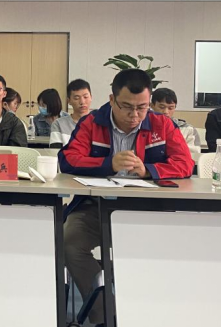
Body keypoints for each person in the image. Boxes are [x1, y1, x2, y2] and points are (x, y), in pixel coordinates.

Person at [59, 69, 192, 326]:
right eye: (127, 107)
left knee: (171, 247)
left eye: (142, 107)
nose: (135, 115)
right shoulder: (92, 122)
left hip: (147, 209)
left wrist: (149, 170)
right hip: (95, 206)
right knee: (69, 243)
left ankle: (150, 311)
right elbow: (68, 159)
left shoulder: (162, 124)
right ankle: (106, 315)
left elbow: (185, 163)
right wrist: (107, 164)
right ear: (112, 100)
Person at [151, 88, 201, 161]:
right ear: (152, 106)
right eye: (162, 107)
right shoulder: (144, 127)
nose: (166, 112)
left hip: (178, 165)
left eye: (170, 108)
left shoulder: (187, 129)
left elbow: (194, 154)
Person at [50, 79, 93, 148]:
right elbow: (55, 151)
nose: (82, 102)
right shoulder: (59, 124)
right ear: (68, 101)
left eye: (85, 97)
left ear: (91, 97)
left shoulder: (100, 123)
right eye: (76, 98)